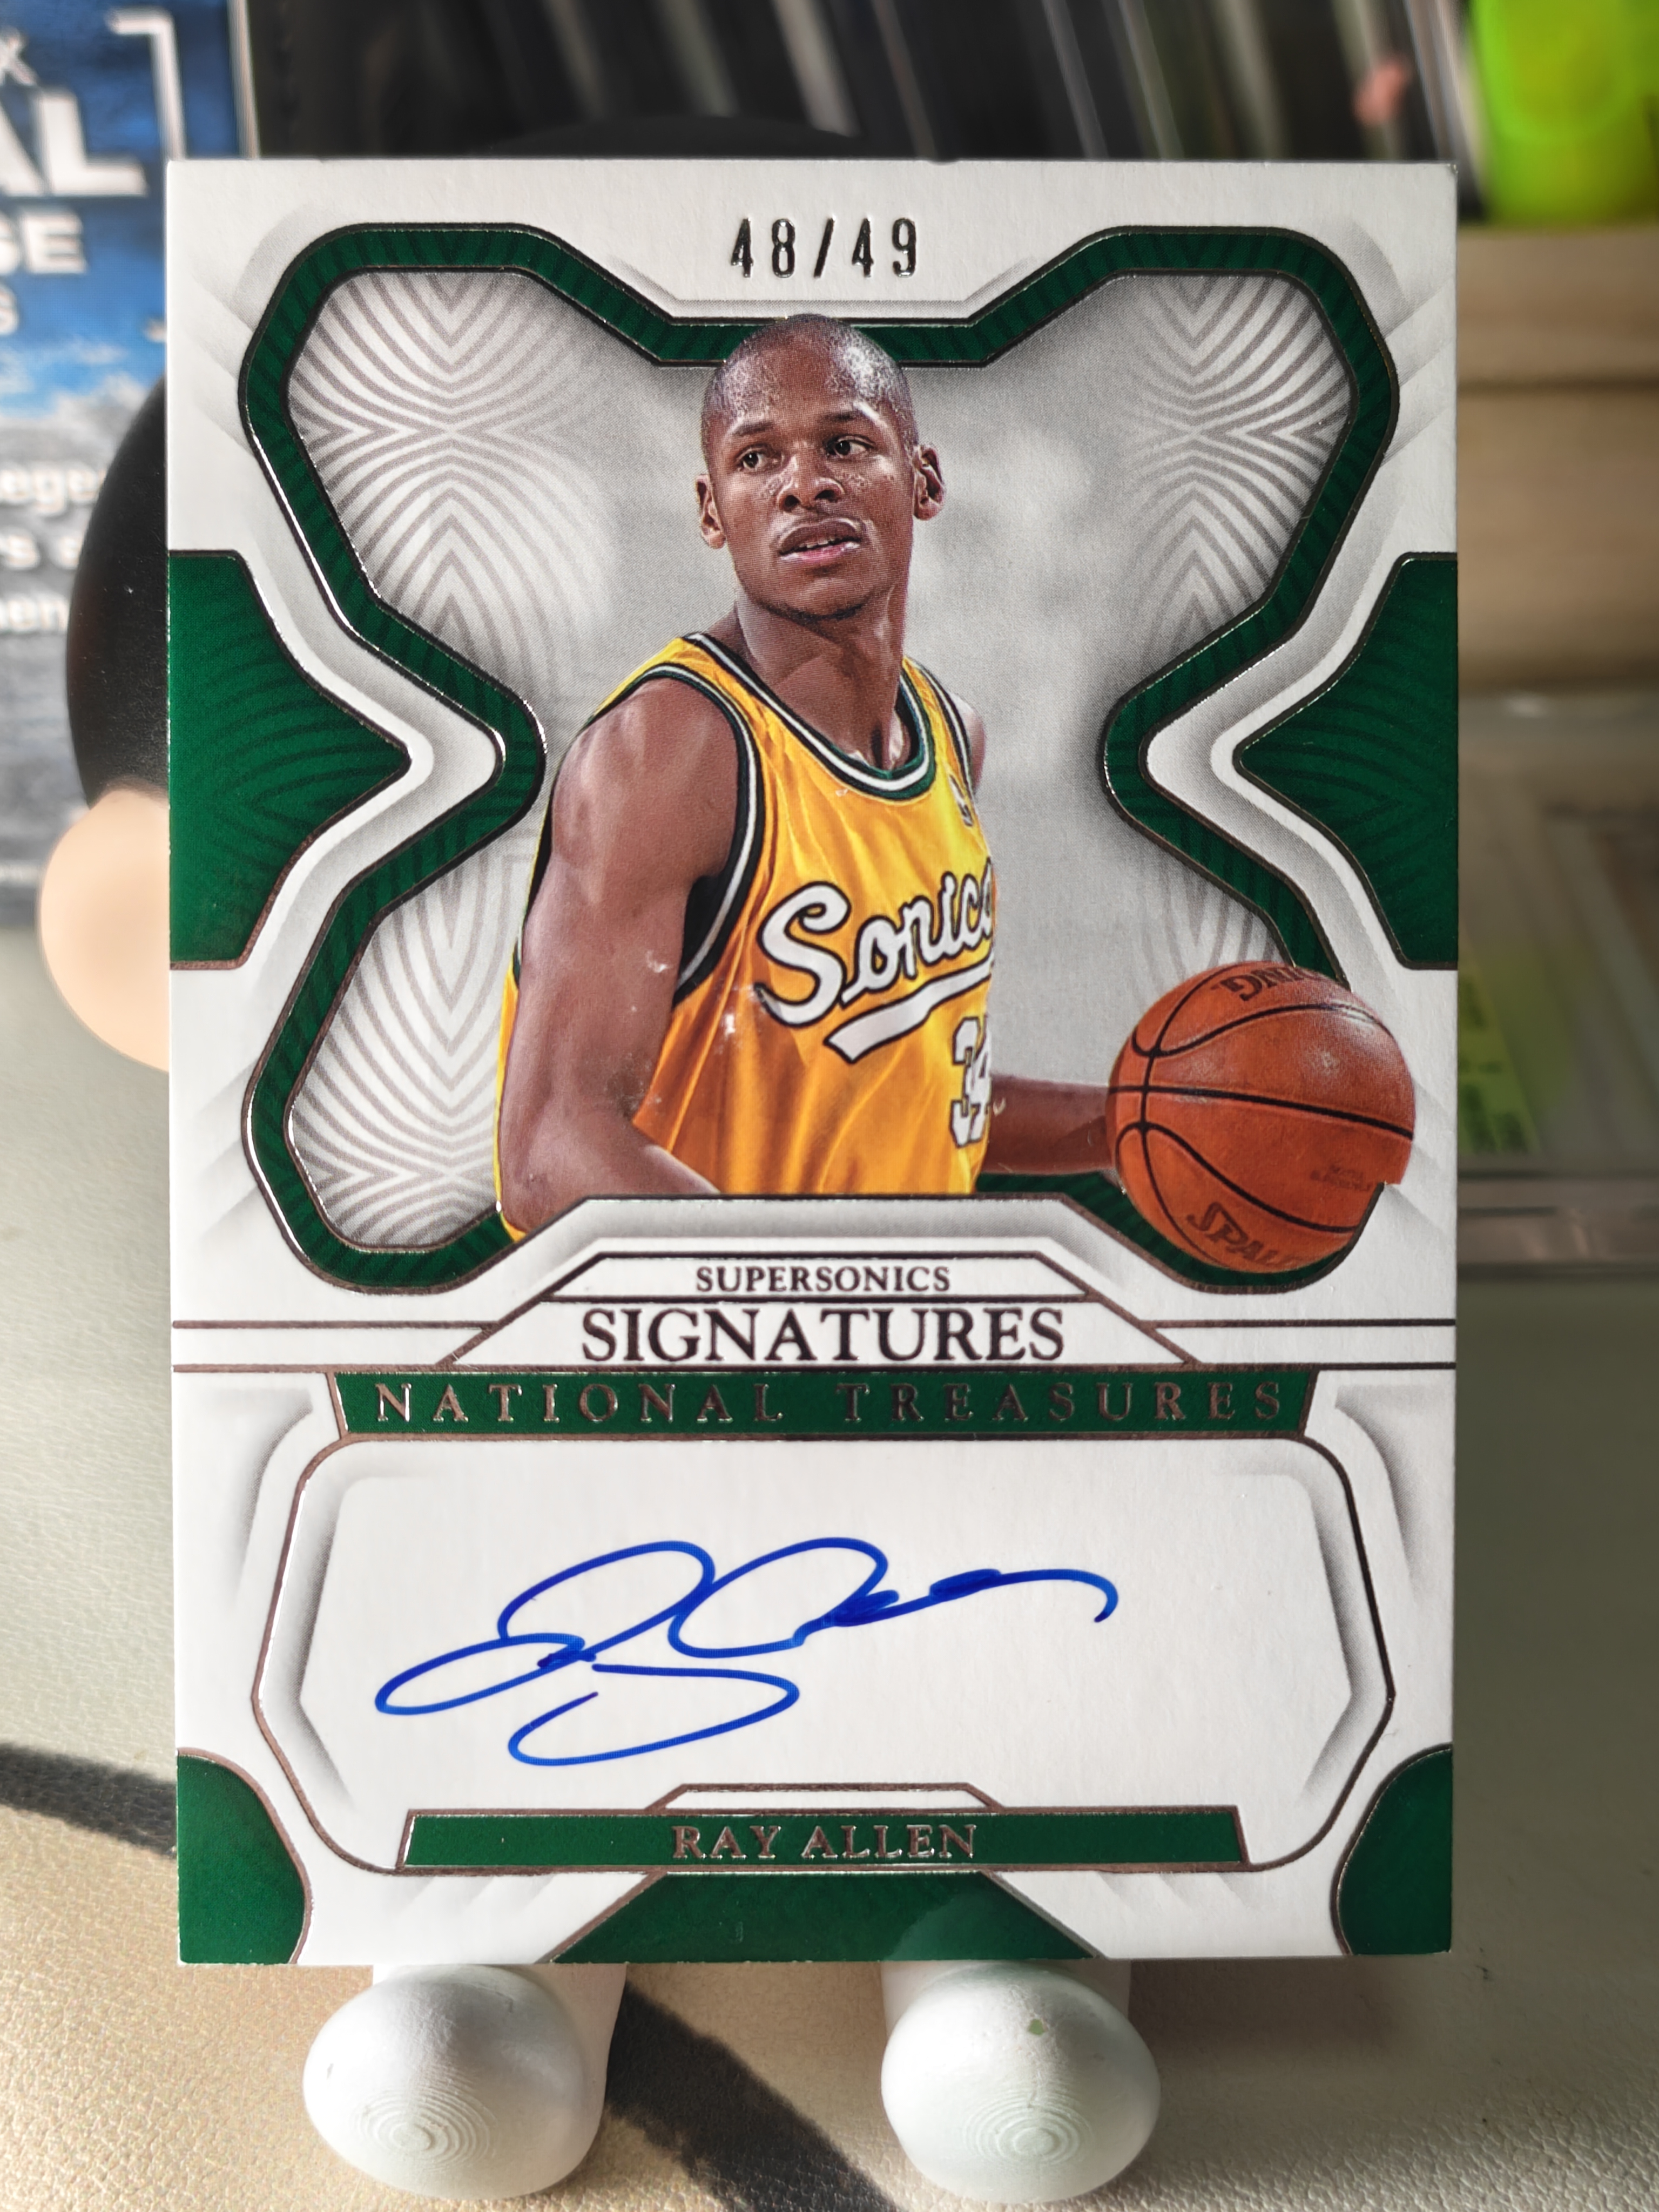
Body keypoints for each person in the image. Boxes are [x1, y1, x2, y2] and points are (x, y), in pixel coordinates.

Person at [495, 312, 1115, 1229]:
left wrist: (1129, 1127)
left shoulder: (951, 736)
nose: (804, 484)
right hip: (711, 1320)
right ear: (712, 511)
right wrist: (793, 1287)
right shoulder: (671, 751)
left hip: (892, 1308)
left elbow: (909, 1098)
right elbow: (549, 1146)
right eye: (757, 459)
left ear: (924, 479)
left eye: (845, 444)